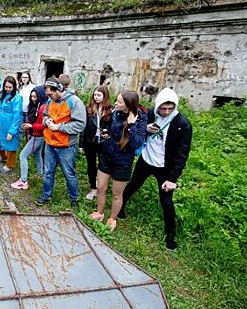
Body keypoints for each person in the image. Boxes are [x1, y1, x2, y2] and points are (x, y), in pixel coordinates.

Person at [119, 88, 192, 250]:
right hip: (146, 160)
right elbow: (136, 131)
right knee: (131, 187)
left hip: (165, 168)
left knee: (166, 201)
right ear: (157, 105)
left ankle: (170, 235)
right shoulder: (150, 114)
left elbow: (182, 153)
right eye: (163, 108)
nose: (165, 112)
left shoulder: (182, 124)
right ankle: (120, 210)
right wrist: (145, 129)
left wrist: (172, 178)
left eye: (169, 108)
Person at [90, 90, 146, 231]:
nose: (115, 103)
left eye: (119, 101)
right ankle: (100, 213)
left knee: (116, 194)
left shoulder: (140, 118)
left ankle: (112, 218)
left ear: (128, 105)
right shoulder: (115, 112)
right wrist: (106, 134)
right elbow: (111, 129)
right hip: (107, 156)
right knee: (101, 187)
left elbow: (136, 143)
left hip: (123, 162)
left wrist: (131, 125)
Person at [35, 78, 86, 209]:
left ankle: (74, 198)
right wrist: (46, 121)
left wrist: (59, 127)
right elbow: (45, 115)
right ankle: (46, 195)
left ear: (58, 90)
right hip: (50, 144)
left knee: (69, 174)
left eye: (50, 94)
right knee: (48, 172)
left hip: (66, 146)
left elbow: (80, 125)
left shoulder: (74, 102)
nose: (49, 97)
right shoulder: (50, 101)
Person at [11, 86, 48, 189]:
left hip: (38, 136)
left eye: (35, 97)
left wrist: (31, 126)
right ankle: (40, 176)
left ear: (40, 96)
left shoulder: (43, 108)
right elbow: (32, 119)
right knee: (37, 155)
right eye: (31, 96)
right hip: (34, 135)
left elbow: (43, 125)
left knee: (23, 155)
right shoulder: (35, 106)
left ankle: (23, 181)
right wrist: (28, 124)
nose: (33, 99)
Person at [82, 85, 113, 200]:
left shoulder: (111, 110)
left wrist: (108, 134)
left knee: (103, 165)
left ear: (105, 96)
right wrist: (82, 144)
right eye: (95, 95)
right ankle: (93, 187)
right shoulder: (89, 108)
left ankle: (101, 186)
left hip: (104, 142)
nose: (96, 97)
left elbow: (112, 127)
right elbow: (84, 127)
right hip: (91, 141)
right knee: (91, 165)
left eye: (99, 95)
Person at [0, 76, 22, 173]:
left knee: (10, 145)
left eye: (10, 87)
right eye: (6, 87)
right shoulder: (0, 94)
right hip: (0, 122)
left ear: (14, 87)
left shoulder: (17, 97)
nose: (7, 89)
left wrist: (12, 131)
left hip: (10, 123)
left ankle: (9, 164)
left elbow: (17, 116)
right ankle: (3, 157)